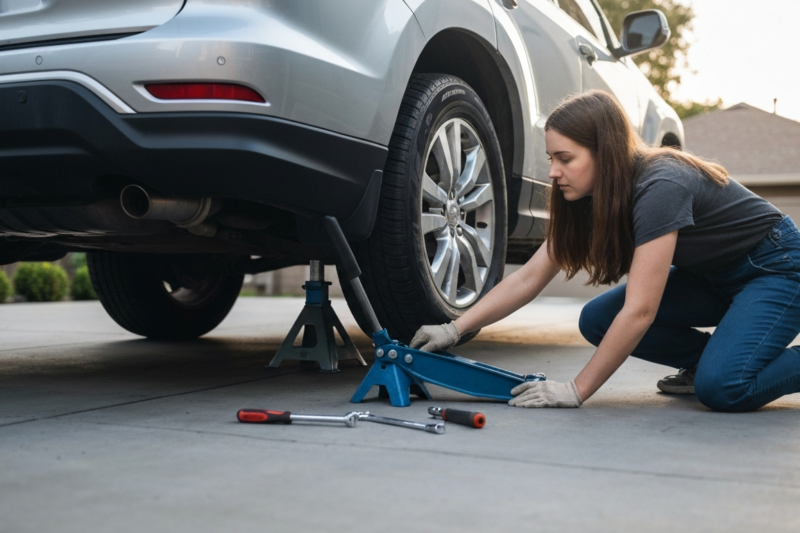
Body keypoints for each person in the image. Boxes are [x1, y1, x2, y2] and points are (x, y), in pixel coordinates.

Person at [410, 90, 800, 413]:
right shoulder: (591, 198)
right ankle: (706, 361)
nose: (552, 172)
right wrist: (454, 328)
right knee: (597, 318)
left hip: (775, 269)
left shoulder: (662, 185)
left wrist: (577, 390)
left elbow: (641, 310)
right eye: (551, 158)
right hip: (713, 277)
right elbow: (529, 276)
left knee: (723, 388)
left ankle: (718, 368)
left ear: (605, 151)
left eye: (565, 159)